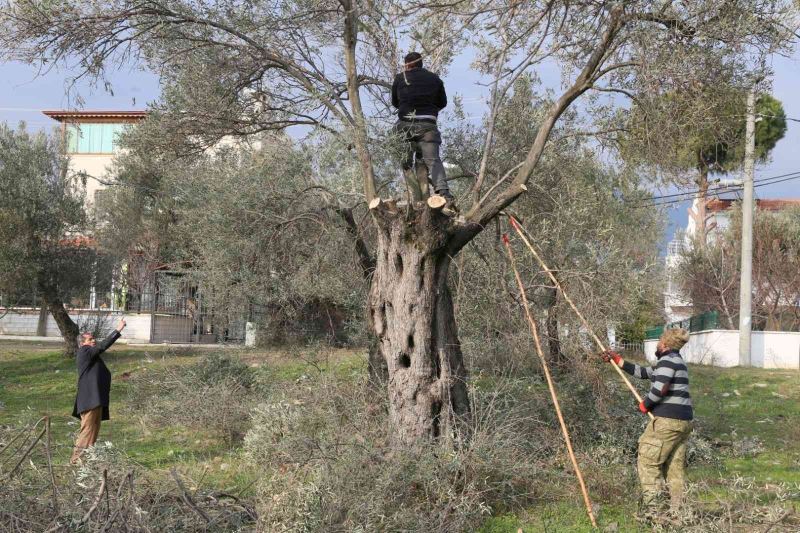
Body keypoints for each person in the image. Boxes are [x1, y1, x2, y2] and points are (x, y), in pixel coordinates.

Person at [601, 328, 693, 518]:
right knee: (674, 470)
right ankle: (678, 516)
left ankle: (656, 513)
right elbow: (643, 372)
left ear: (665, 344)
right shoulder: (676, 362)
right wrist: (618, 360)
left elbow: (660, 389)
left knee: (648, 462)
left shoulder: (667, 361)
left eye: (659, 341)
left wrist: (645, 404)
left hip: (667, 422)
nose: (657, 345)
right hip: (682, 422)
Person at [391, 52, 453, 203]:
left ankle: (414, 193)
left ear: (407, 65)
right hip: (428, 125)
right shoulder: (435, 79)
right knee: (433, 160)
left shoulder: (401, 78)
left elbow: (395, 102)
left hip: (405, 125)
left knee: (405, 161)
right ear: (421, 64)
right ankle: (444, 193)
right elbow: (442, 103)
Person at [70, 318, 126, 465]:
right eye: (90, 339)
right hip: (90, 400)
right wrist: (118, 330)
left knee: (94, 431)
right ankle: (75, 461)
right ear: (82, 343)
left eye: (94, 338)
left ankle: (87, 460)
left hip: (96, 400)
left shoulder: (91, 356)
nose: (93, 341)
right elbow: (103, 346)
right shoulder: (84, 351)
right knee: (87, 430)